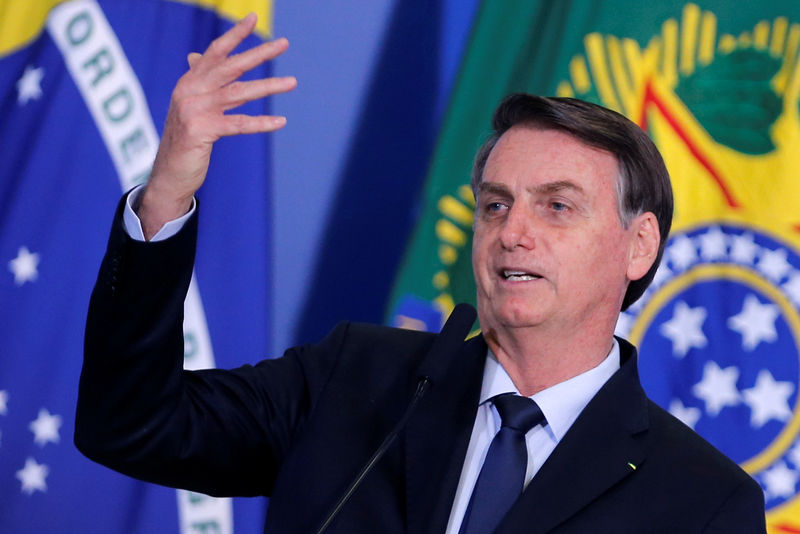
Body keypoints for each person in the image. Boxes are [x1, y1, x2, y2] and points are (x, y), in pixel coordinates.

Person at [76, 13, 767, 534]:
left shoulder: (704, 500)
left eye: (557, 206)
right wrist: (166, 191)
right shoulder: (356, 380)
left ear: (639, 244)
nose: (512, 233)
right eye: (494, 205)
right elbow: (130, 425)